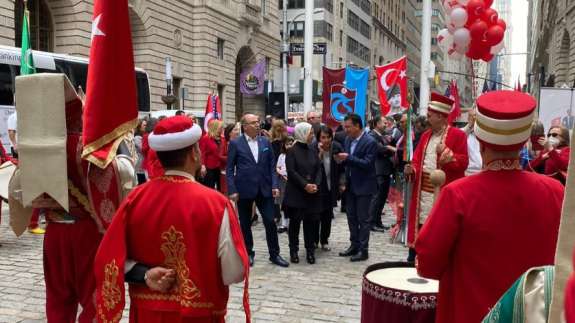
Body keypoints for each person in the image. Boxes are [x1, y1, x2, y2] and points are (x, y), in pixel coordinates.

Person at [415, 90, 564, 323]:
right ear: (525, 141)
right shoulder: (556, 191)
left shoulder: (458, 194)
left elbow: (427, 264)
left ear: (481, 142)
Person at [94, 116, 251, 322]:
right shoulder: (216, 203)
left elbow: (109, 257)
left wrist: (144, 274)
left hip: (148, 314)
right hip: (199, 315)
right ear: (194, 154)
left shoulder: (135, 198)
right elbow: (234, 272)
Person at [404, 92, 468, 262]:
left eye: (430, 115)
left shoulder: (458, 135)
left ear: (440, 116)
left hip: (443, 192)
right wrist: (412, 170)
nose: (427, 118)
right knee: (420, 226)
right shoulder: (426, 136)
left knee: (439, 228)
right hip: (422, 193)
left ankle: (434, 262)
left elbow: (463, 162)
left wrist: (447, 154)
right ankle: (414, 260)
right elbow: (417, 160)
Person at [226, 113, 289, 267]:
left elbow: (271, 166)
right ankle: (248, 253)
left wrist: (274, 185)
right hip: (244, 189)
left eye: (258, 122)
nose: (257, 125)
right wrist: (232, 189)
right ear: (245, 126)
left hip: (264, 189)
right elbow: (229, 169)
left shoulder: (265, 141)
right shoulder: (236, 143)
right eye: (253, 123)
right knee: (245, 224)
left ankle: (274, 254)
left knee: (270, 221)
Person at [335, 113, 377, 262]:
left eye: (348, 127)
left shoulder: (370, 142)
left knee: (363, 219)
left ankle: (363, 250)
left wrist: (349, 158)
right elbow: (347, 164)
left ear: (357, 126)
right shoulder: (347, 140)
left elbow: (367, 164)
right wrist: (341, 162)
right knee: (351, 217)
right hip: (350, 185)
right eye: (344, 127)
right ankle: (354, 244)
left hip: (365, 186)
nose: (345, 130)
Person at [283, 122, 323, 264]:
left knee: (311, 225)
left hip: (312, 194)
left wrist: (316, 184)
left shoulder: (313, 150)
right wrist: (305, 185)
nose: (312, 135)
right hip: (297, 194)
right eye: (310, 133)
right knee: (295, 225)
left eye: (312, 133)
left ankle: (310, 251)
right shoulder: (291, 151)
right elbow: (291, 172)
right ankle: (293, 251)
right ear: (302, 133)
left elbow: (319, 169)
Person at [314, 125, 344, 251]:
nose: (325, 140)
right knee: (316, 216)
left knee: (327, 216)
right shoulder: (313, 149)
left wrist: (342, 183)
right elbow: (311, 167)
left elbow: (342, 167)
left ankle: (324, 240)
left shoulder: (336, 147)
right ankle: (314, 240)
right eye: (322, 138)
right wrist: (320, 154)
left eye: (328, 137)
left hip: (331, 186)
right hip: (318, 187)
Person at [368, 116, 395, 233]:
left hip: (385, 170)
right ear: (376, 124)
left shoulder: (380, 136)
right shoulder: (372, 135)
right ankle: (371, 222)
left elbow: (385, 150)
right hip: (378, 171)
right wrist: (389, 148)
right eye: (384, 123)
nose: (386, 124)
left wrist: (389, 148)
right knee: (376, 198)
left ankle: (378, 221)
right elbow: (381, 150)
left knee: (382, 198)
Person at [199, 119, 225, 190]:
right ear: (215, 127)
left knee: (221, 188)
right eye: (221, 127)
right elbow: (202, 153)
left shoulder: (223, 139)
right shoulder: (206, 138)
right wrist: (202, 165)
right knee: (210, 188)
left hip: (220, 167)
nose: (222, 129)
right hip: (210, 168)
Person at [464, 109, 483, 176]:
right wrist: (470, 125)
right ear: (468, 118)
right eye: (471, 116)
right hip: (468, 172)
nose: (474, 118)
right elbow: (461, 137)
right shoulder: (463, 132)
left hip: (483, 172)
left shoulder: (484, 134)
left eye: (476, 116)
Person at [134, 118, 148, 184]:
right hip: (139, 166)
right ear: (139, 127)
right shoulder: (137, 138)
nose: (146, 127)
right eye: (144, 125)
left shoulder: (143, 137)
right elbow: (143, 149)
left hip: (143, 166)